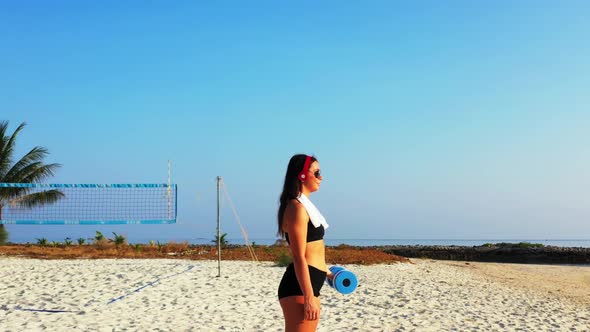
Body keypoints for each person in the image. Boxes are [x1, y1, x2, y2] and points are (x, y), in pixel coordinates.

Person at [277, 154, 331, 332]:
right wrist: (308, 297)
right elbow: (299, 255)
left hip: (309, 284)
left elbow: (312, 250)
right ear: (301, 175)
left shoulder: (304, 206)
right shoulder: (296, 208)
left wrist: (329, 272)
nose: (320, 177)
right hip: (299, 288)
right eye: (316, 173)